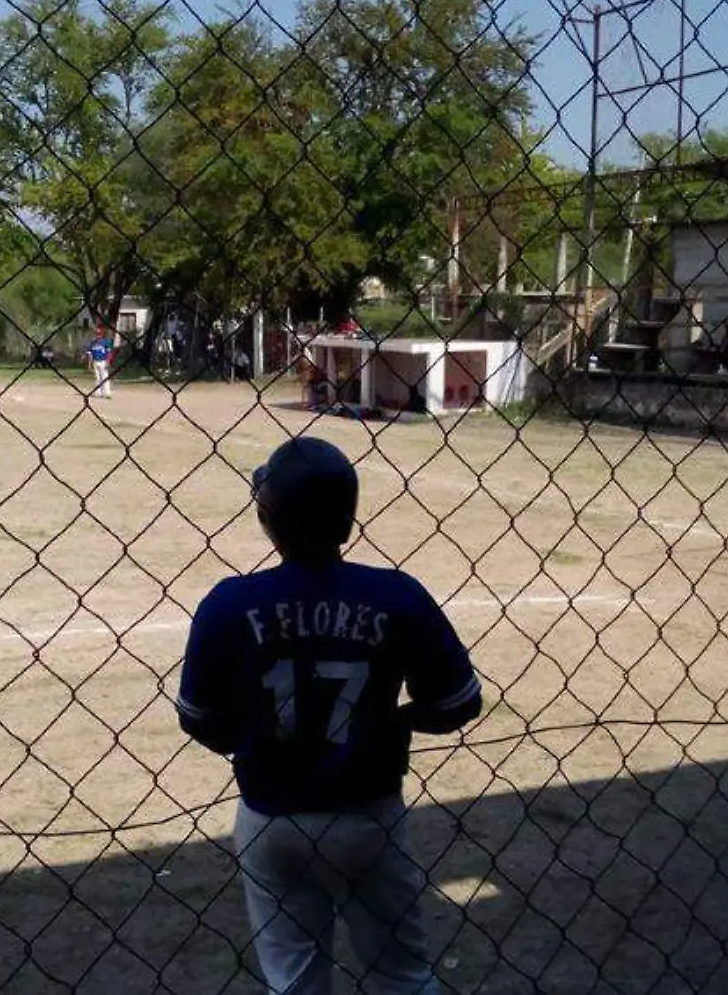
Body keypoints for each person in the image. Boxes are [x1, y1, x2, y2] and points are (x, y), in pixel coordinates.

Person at [175, 437, 482, 995]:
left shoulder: (228, 603)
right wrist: (396, 721)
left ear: (267, 521)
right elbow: (459, 701)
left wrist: (254, 734)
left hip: (271, 814)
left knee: (293, 982)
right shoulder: (395, 595)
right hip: (366, 813)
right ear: (348, 523)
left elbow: (198, 717)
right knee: (402, 975)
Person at [86, 326, 116, 399]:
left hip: (103, 361)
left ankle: (107, 393)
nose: (97, 335)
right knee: (97, 378)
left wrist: (108, 362)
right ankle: (99, 393)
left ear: (102, 334)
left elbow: (109, 353)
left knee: (105, 377)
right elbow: (90, 355)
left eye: (99, 334)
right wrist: (89, 364)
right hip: (95, 362)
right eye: (96, 334)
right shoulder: (92, 343)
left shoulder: (105, 342)